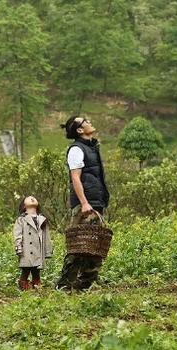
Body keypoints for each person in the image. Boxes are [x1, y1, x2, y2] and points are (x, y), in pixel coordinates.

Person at [56, 115, 110, 291]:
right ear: (79, 130)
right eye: (85, 121)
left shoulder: (92, 147)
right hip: (85, 204)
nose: (89, 121)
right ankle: (64, 285)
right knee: (78, 246)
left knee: (96, 246)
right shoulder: (76, 150)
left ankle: (83, 285)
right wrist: (84, 203)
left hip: (96, 201)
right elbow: (75, 178)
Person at [13, 196, 52, 290]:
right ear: (24, 205)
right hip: (27, 249)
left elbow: (47, 236)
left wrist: (48, 250)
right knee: (26, 269)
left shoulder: (42, 219)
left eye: (33, 197)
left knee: (36, 270)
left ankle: (36, 284)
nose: (31, 198)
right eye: (28, 198)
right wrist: (18, 247)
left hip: (38, 249)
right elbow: (17, 234)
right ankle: (23, 285)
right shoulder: (21, 219)